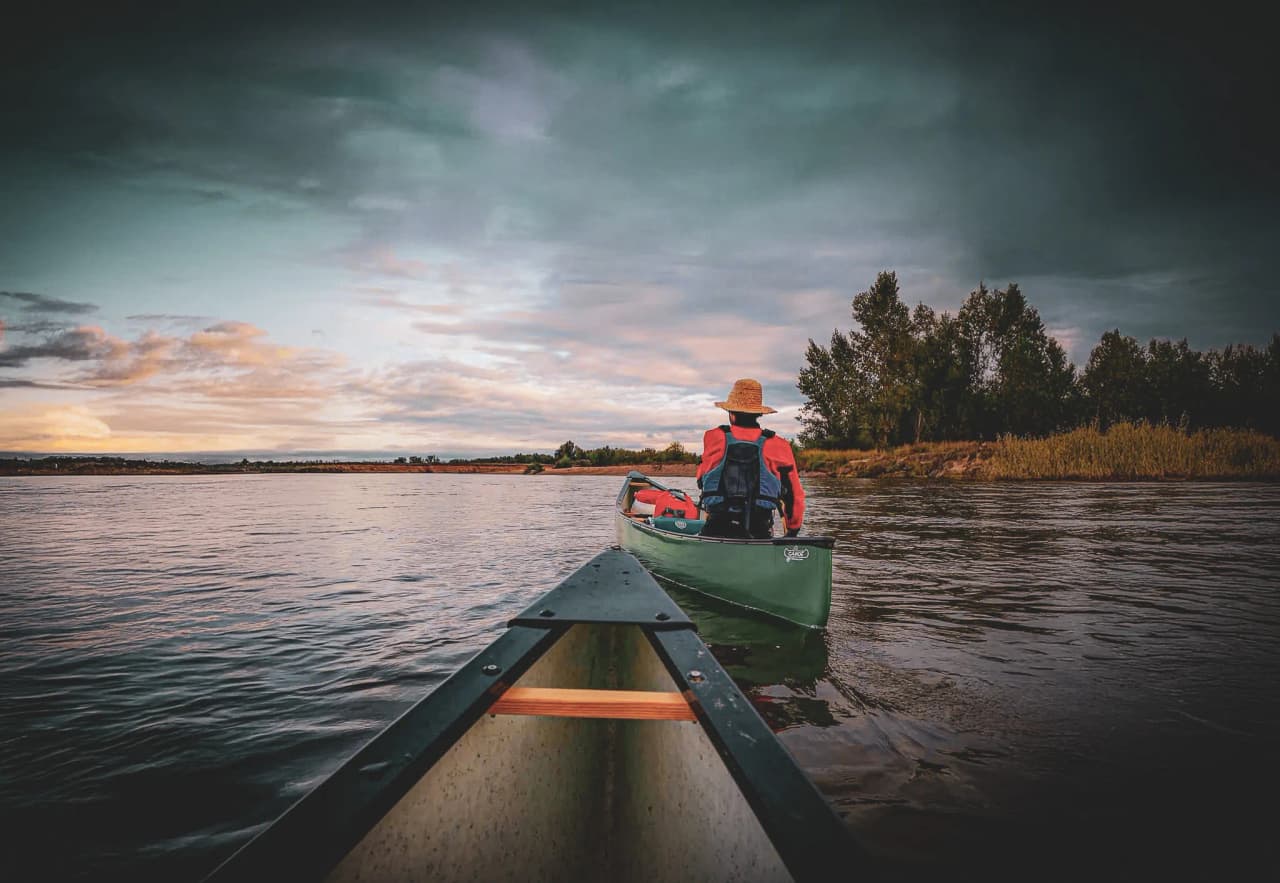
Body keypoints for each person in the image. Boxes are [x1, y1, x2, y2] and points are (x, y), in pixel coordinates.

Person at [696, 378, 805, 539]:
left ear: (731, 414)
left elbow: (701, 479)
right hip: (759, 532)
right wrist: (792, 530)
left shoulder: (713, 437)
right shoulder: (779, 445)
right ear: (758, 414)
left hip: (715, 530)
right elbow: (794, 496)